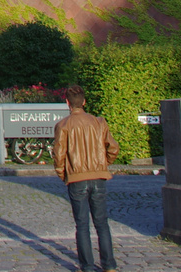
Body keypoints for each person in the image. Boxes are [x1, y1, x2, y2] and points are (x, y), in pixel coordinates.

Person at [53, 85, 120, 272]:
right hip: (99, 176)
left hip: (76, 178)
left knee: (82, 225)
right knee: (102, 223)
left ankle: (87, 266)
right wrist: (103, 164)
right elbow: (113, 148)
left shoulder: (63, 125)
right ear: (84, 101)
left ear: (67, 103)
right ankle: (109, 265)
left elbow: (59, 155)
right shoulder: (99, 122)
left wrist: (63, 174)